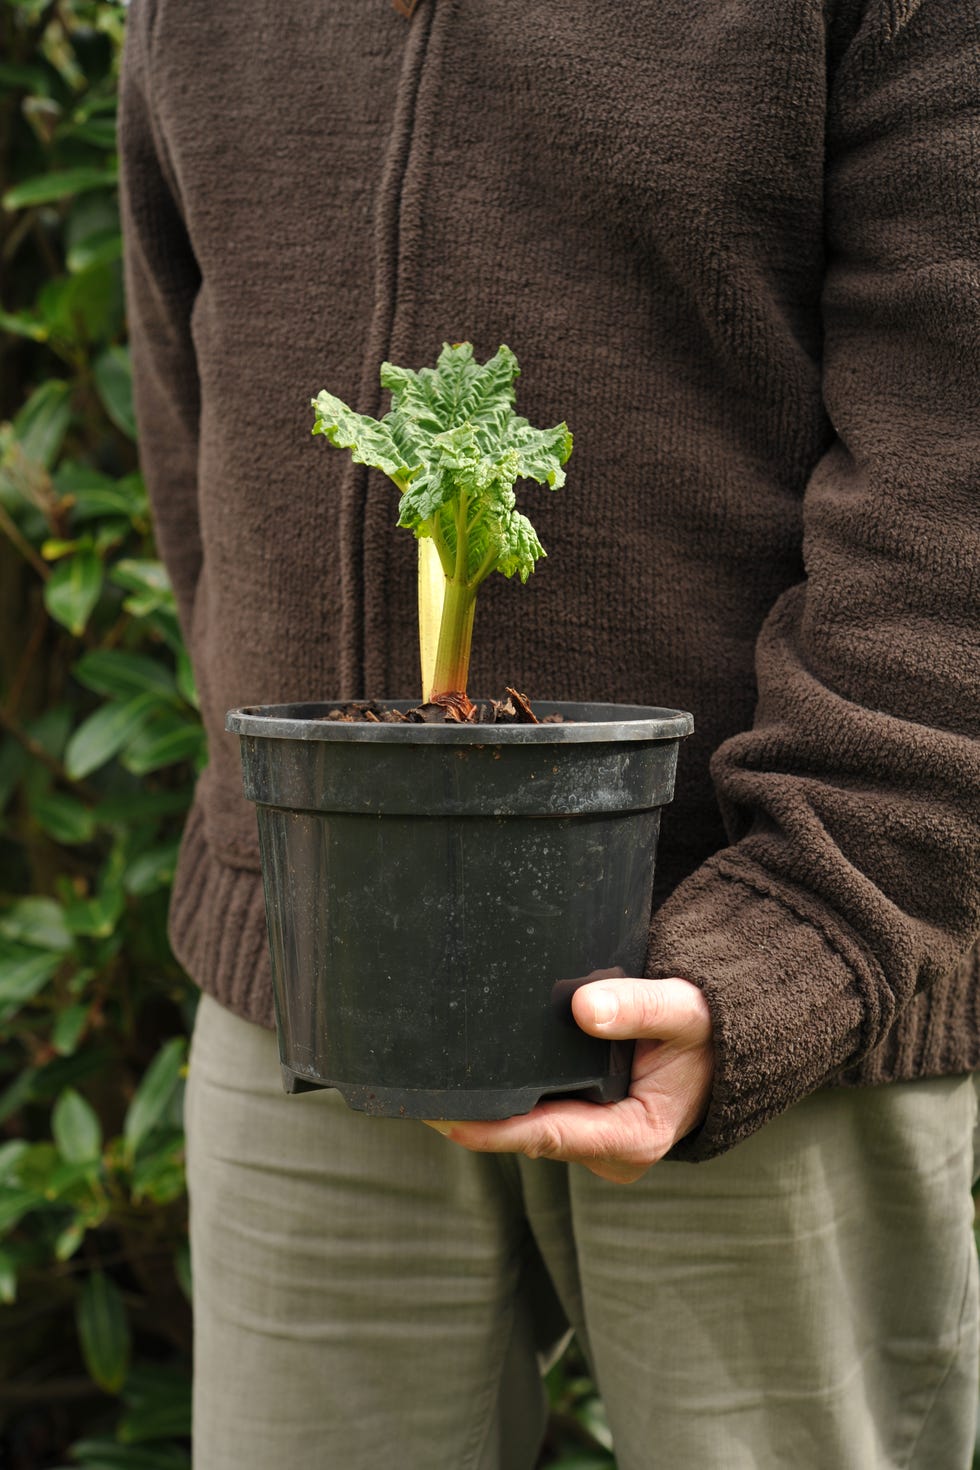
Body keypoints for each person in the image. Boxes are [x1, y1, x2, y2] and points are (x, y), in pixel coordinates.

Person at [118, 2, 980, 1466]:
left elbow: (953, 470)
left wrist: (808, 930)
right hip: (313, 993)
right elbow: (190, 390)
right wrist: (282, 832)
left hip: (777, 996)